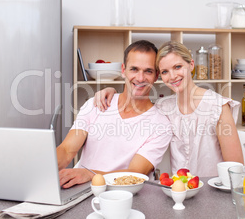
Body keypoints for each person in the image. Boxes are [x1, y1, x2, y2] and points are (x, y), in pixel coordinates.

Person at [94, 41, 243, 177]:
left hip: (211, 193)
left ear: (191, 65)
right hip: (176, 193)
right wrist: (111, 91)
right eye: (165, 71)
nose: (172, 76)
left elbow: (235, 168)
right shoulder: (163, 107)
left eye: (177, 67)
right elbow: (135, 103)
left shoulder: (217, 106)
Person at [57, 40, 172, 188]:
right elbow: (67, 150)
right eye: (134, 69)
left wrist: (90, 174)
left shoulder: (160, 125)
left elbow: (135, 174)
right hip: (80, 189)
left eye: (148, 71)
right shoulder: (96, 104)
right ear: (123, 70)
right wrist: (43, 169)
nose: (140, 78)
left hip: (126, 194)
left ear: (156, 76)